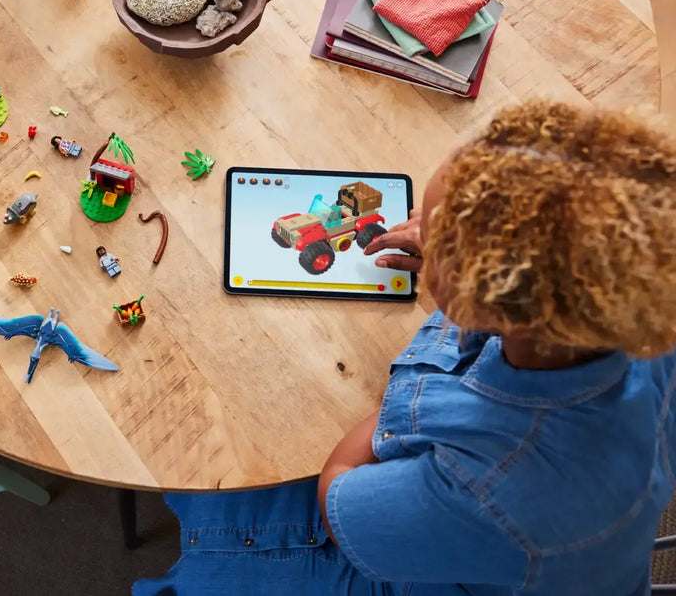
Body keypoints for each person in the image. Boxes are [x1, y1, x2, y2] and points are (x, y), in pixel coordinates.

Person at [134, 100, 676, 596]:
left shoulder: (492, 490)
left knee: (204, 478)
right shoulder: (635, 295)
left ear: (475, 297)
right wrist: (465, 261)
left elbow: (337, 497)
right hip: (557, 543)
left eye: (436, 236)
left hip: (438, 564)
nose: (417, 230)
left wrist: (404, 409)